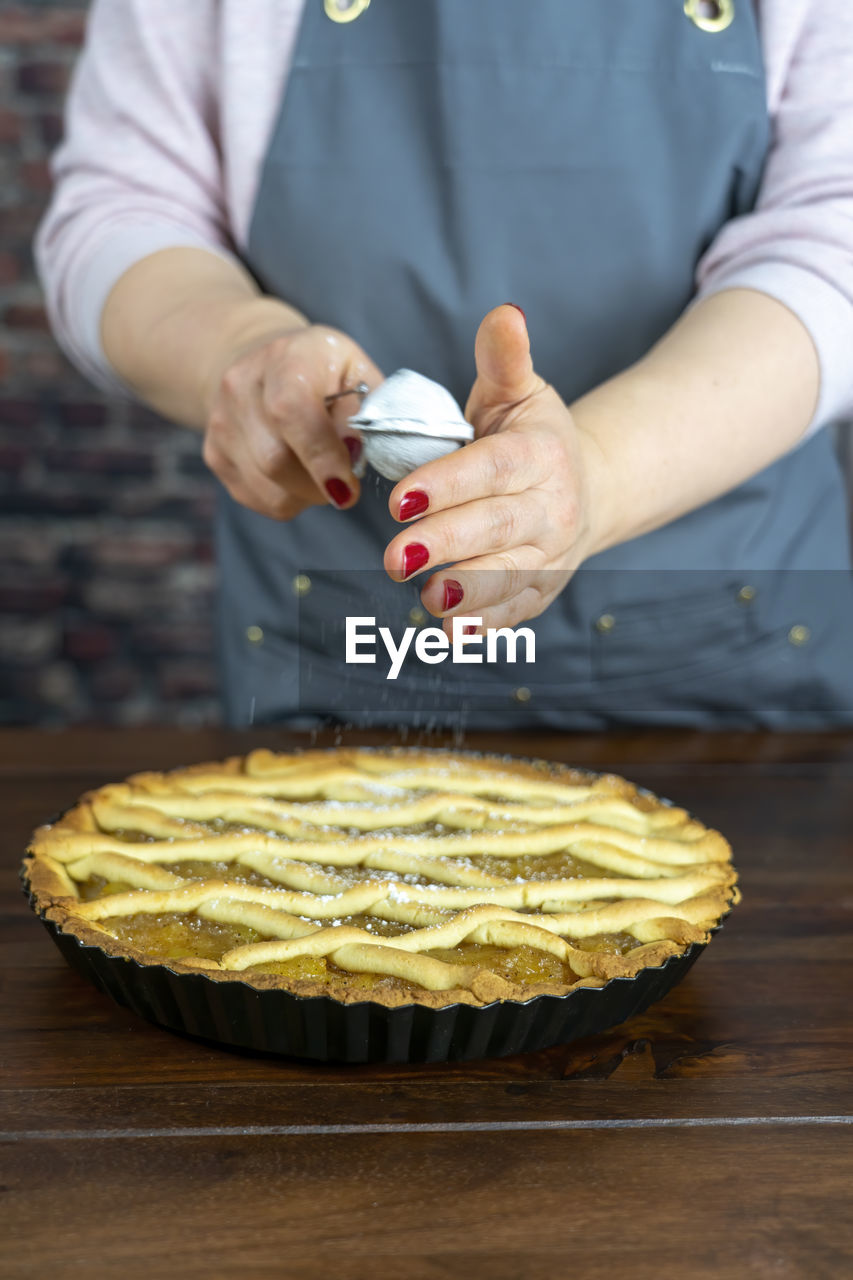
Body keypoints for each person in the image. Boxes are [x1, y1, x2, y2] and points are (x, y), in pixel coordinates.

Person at [37, 0, 853, 729]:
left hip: (734, 654)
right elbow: (122, 201)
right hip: (339, 652)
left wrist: (596, 473)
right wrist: (240, 349)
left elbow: (833, 230)